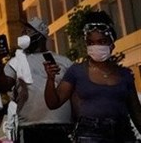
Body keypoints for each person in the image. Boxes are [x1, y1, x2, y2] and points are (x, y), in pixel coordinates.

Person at [44, 10, 141, 143]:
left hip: (123, 134)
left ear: (112, 43)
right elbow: (53, 103)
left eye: (102, 41)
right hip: (90, 134)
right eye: (91, 43)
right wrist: (50, 79)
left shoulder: (125, 75)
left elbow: (137, 113)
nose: (96, 46)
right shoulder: (76, 71)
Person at [0, 17, 72, 143]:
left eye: (28, 31)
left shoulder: (64, 62)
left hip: (61, 127)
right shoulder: (16, 61)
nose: (23, 33)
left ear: (40, 35)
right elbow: (3, 86)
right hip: (29, 129)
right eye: (23, 31)